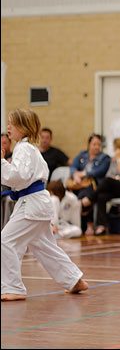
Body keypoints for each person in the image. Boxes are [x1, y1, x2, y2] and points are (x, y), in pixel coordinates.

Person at [1, 108, 88, 301]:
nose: (8, 127)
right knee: (44, 246)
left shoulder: (23, 148)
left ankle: (13, 287)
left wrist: (1, 162)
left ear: (23, 127)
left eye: (11, 123)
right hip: (38, 202)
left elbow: (18, 176)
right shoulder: (32, 149)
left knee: (5, 240)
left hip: (32, 204)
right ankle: (74, 280)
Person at [81, 138, 120, 236]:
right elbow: (109, 175)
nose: (114, 151)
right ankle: (102, 226)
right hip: (117, 187)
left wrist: (119, 159)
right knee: (102, 195)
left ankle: (90, 198)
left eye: (116, 148)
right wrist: (119, 177)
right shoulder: (114, 161)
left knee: (107, 182)